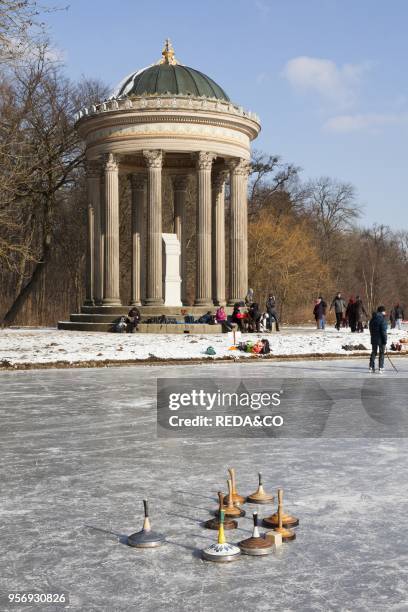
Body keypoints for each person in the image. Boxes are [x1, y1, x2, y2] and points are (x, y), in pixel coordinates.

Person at [369, 306, 388, 373]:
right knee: (382, 353)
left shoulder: (372, 319)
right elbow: (383, 331)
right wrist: (385, 340)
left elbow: (370, 329)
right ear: (382, 312)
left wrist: (372, 335)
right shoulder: (383, 319)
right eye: (384, 311)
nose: (385, 312)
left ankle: (371, 366)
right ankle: (381, 367)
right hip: (381, 339)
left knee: (374, 352)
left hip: (374, 338)